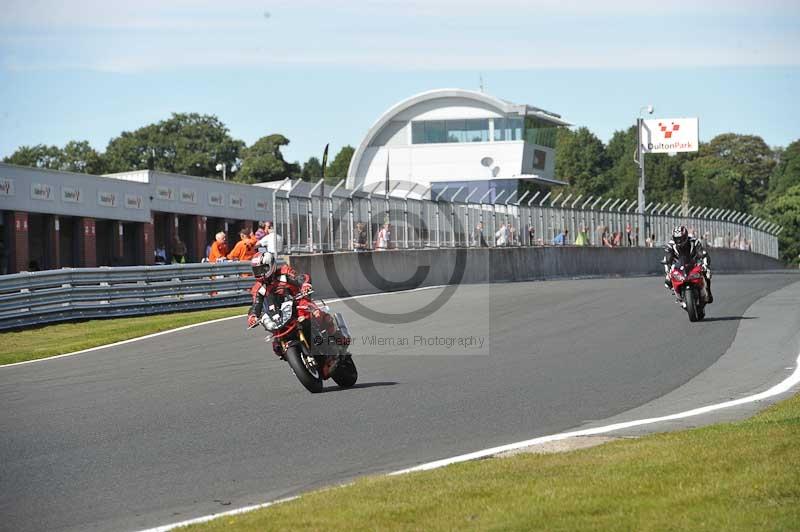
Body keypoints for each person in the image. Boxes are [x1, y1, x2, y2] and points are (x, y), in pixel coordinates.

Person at [246, 252, 342, 376]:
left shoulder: (284, 272)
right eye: (256, 270)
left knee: (317, 315)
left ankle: (336, 337)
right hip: (280, 315)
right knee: (276, 347)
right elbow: (256, 305)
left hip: (298, 301)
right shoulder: (258, 288)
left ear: (270, 266)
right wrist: (253, 316)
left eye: (262, 269)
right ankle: (297, 362)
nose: (259, 272)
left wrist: (304, 285)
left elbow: (300, 278)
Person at [662, 225, 713, 303]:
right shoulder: (671, 245)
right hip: (679, 266)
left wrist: (705, 265)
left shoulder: (694, 241)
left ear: (685, 236)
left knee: (706, 274)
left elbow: (702, 253)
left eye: (681, 238)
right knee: (667, 281)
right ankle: (678, 294)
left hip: (694, 263)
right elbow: (667, 258)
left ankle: (708, 292)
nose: (679, 241)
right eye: (677, 239)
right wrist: (667, 270)